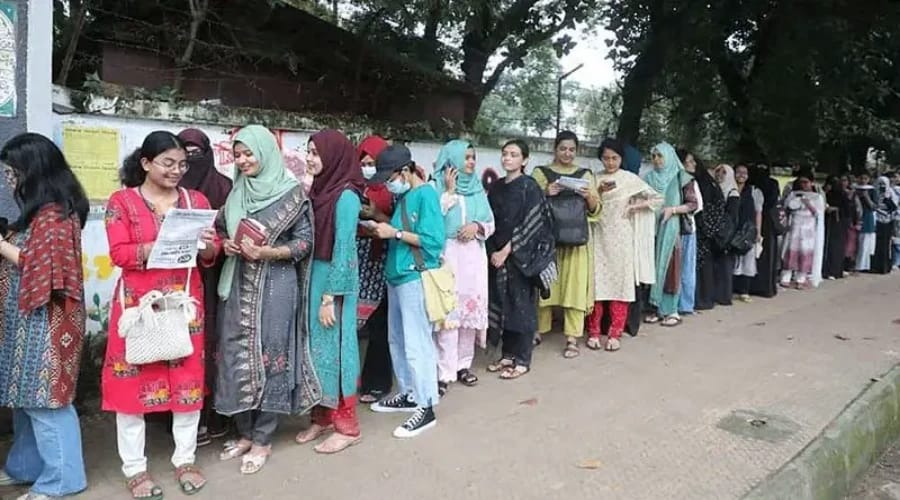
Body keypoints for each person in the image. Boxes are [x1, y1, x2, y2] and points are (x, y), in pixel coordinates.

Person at [103, 131, 219, 498]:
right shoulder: (121, 202)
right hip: (138, 306)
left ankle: (185, 459)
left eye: (182, 164)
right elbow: (119, 254)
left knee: (187, 382)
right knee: (131, 385)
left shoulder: (196, 200)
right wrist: (162, 243)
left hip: (184, 302)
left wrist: (207, 246)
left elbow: (210, 254)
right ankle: (135, 468)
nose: (176, 171)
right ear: (146, 163)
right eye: (168, 163)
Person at [215, 125, 320, 473]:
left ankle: (263, 438)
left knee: (271, 357)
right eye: (237, 155)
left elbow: (304, 243)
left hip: (276, 285)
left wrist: (268, 252)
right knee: (236, 355)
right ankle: (245, 432)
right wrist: (226, 245)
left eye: (249, 153)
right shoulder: (236, 192)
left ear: (266, 153)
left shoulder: (291, 194)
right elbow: (220, 228)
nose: (243, 161)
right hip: (238, 284)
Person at [0, 134, 90, 499]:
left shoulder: (56, 214)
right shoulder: (40, 212)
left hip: (50, 322)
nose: (9, 180)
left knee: (48, 401)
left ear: (34, 171)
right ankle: (25, 467)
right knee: (27, 400)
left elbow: (39, 266)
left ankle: (63, 480)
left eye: (13, 172)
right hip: (28, 321)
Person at [295, 129, 365, 453]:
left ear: (334, 157)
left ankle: (347, 426)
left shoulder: (347, 197)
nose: (310, 159)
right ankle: (321, 416)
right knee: (315, 349)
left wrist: (329, 299)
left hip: (334, 284)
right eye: (308, 152)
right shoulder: (320, 190)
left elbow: (345, 249)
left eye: (316, 153)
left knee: (336, 350)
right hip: (314, 278)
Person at [369, 144, 445, 438]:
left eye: (390, 177)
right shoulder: (404, 196)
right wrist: (379, 219)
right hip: (397, 276)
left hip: (415, 276)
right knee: (398, 340)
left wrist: (395, 233)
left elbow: (434, 242)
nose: (388, 184)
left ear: (405, 171)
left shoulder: (426, 194)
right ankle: (409, 393)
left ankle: (426, 406)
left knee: (417, 344)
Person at [176, 128, 233, 446]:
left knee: (210, 343)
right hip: (174, 277)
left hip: (211, 278)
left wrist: (213, 246)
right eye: (184, 152)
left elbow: (231, 230)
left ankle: (213, 415)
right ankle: (176, 415)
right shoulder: (169, 188)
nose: (190, 159)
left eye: (197, 152)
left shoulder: (223, 187)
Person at [486, 139, 556, 378]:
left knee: (522, 307)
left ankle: (523, 359)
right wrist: (493, 251)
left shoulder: (530, 187)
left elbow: (533, 224)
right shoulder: (496, 187)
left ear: (524, 160)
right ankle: (507, 355)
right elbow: (489, 220)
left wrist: (507, 250)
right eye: (505, 153)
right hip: (497, 255)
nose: (507, 158)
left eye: (514, 154)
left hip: (521, 257)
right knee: (503, 304)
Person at [431, 140, 494, 394]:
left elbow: (490, 222)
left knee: (468, 313)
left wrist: (476, 227)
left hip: (473, 259)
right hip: (447, 256)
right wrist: (449, 191)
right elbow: (434, 219)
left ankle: (463, 365)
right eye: (466, 157)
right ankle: (444, 371)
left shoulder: (478, 188)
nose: (471, 162)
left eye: (473, 157)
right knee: (448, 313)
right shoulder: (435, 187)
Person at [530, 131, 600, 358]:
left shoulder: (586, 175)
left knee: (575, 287)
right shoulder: (541, 173)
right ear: (555, 149)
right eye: (563, 149)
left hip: (576, 240)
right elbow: (528, 204)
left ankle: (572, 338)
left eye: (571, 149)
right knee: (545, 283)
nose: (567, 153)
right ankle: (538, 330)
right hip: (547, 240)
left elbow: (596, 209)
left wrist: (588, 196)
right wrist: (545, 192)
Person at [587, 138, 660, 351]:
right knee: (596, 286)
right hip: (598, 236)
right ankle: (593, 332)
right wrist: (598, 191)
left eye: (615, 158)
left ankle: (615, 333)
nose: (610, 162)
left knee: (620, 286)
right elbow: (586, 204)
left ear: (621, 159)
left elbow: (657, 198)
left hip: (622, 238)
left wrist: (635, 207)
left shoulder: (630, 179)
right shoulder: (593, 178)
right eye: (606, 158)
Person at [355, 135, 395, 404]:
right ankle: (351, 378)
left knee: (381, 323)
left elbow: (400, 224)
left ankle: (377, 381)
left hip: (383, 258)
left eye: (373, 164)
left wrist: (376, 216)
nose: (368, 169)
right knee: (352, 323)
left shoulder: (393, 188)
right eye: (364, 163)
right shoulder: (352, 187)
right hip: (356, 258)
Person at [643, 143, 696, 327]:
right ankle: (655, 309)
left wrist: (672, 210)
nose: (656, 160)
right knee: (652, 268)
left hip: (671, 231)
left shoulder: (682, 177)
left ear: (669, 156)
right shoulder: (649, 177)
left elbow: (693, 204)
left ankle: (671, 310)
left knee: (670, 269)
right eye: (654, 156)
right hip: (651, 228)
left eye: (660, 156)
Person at [780, 175, 825, 289]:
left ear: (811, 183)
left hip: (808, 228)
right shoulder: (793, 194)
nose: (804, 185)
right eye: (802, 182)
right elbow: (787, 207)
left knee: (805, 253)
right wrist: (796, 201)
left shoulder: (817, 197)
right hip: (795, 226)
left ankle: (801, 279)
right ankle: (785, 278)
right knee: (791, 252)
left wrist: (808, 203)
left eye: (806, 182)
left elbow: (818, 213)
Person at [732, 164, 764, 302]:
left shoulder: (754, 192)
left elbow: (758, 212)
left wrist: (758, 231)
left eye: (744, 172)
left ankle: (744, 291)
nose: (741, 175)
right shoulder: (729, 188)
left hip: (748, 230)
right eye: (738, 172)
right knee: (733, 260)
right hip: (732, 230)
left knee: (748, 260)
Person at [749, 164, 782, 297]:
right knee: (768, 254)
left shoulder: (752, 184)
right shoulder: (773, 183)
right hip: (769, 222)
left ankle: (752, 285)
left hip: (755, 219)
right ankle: (767, 287)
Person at [676, 150, 702, 315]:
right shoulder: (688, 181)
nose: (694, 164)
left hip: (676, 227)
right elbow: (698, 206)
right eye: (690, 161)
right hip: (686, 227)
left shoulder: (674, 179)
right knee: (686, 267)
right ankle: (685, 304)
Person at [714, 164, 740, 305]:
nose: (720, 174)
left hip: (726, 235)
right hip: (717, 233)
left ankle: (724, 296)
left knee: (725, 266)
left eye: (724, 172)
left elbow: (732, 216)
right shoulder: (717, 189)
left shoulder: (732, 192)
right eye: (718, 171)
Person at [822, 175, 852, 280]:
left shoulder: (842, 195)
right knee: (831, 247)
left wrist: (835, 209)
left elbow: (847, 211)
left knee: (835, 248)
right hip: (832, 223)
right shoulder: (827, 194)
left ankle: (833, 270)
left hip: (837, 223)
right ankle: (830, 270)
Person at [871, 175, 896, 274]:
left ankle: (884, 267)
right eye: (880, 184)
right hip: (876, 220)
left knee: (885, 245)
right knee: (876, 244)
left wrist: (887, 199)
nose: (882, 186)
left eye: (884, 184)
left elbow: (894, 207)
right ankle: (875, 266)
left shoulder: (891, 193)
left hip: (887, 221)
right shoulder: (874, 192)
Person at [855, 173, 877, 272]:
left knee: (864, 243)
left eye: (865, 178)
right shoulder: (855, 189)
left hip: (867, 217)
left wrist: (866, 196)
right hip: (855, 216)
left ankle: (861, 266)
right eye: (861, 178)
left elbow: (874, 207)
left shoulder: (872, 190)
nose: (863, 180)